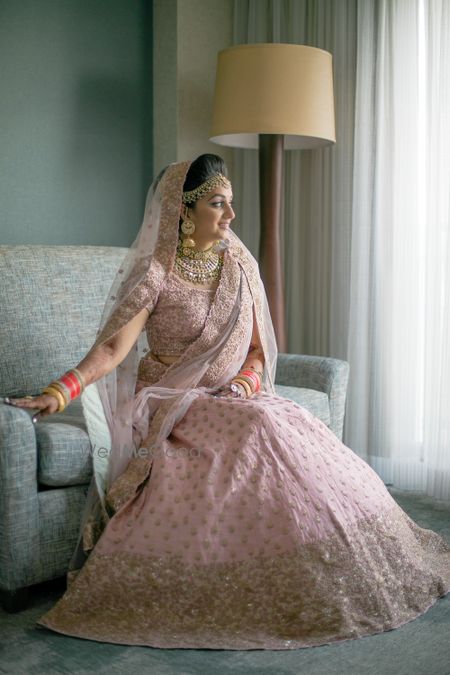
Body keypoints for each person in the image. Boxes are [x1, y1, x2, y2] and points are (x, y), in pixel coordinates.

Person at [6, 155, 450, 650]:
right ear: (183, 209)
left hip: (237, 398)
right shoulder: (156, 275)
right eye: (218, 203)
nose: (231, 215)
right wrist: (59, 390)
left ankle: (339, 557)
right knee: (260, 426)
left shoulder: (239, 266)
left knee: (288, 422)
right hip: (175, 402)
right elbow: (113, 349)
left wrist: (243, 384)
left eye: (230, 203)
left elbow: (258, 352)